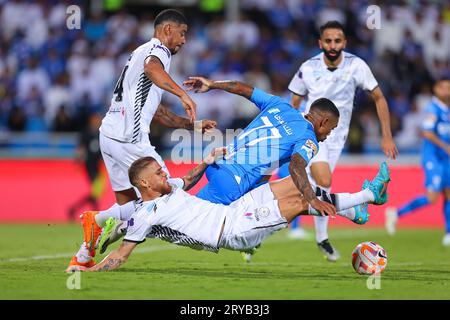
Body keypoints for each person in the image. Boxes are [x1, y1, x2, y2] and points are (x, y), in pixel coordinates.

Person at [69, 9, 217, 267]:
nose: (184, 40)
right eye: (182, 34)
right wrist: (183, 95)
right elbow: (152, 69)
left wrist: (191, 125)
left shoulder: (137, 53)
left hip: (110, 135)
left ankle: (82, 257)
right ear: (167, 30)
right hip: (130, 139)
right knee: (165, 192)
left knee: (128, 206)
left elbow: (155, 110)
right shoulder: (158, 51)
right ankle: (100, 220)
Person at [65, 157, 390, 272]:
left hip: (232, 212)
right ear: (144, 183)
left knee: (294, 183)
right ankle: (364, 198)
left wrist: (206, 161)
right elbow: (123, 252)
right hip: (231, 232)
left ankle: (356, 207)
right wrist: (89, 269)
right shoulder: (145, 215)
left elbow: (188, 178)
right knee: (300, 204)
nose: (165, 173)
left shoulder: (170, 189)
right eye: (158, 173)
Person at [286, 20, 398, 261]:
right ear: (320, 43)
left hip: (337, 136)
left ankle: (321, 237)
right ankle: (354, 207)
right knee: (323, 178)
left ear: (344, 43)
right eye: (328, 40)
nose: (333, 45)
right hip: (312, 131)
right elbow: (293, 104)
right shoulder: (308, 67)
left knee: (320, 185)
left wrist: (386, 135)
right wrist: (292, 131)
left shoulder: (357, 65)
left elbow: (379, 97)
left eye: (337, 40)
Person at [385, 77, 450, 245]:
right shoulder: (433, 109)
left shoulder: (446, 109)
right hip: (433, 158)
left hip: (445, 159)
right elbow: (426, 133)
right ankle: (396, 213)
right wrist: (445, 146)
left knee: (449, 194)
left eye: (448, 87)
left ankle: (448, 233)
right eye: (443, 87)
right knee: (432, 197)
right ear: (436, 89)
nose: (446, 91)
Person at [67, 113, 105, 222]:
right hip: (90, 166)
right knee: (96, 192)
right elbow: (81, 148)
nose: (98, 121)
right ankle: (97, 215)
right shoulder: (86, 133)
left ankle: (74, 209)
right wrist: (77, 160)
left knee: (96, 193)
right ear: (91, 121)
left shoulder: (100, 133)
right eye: (96, 119)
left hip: (98, 167)